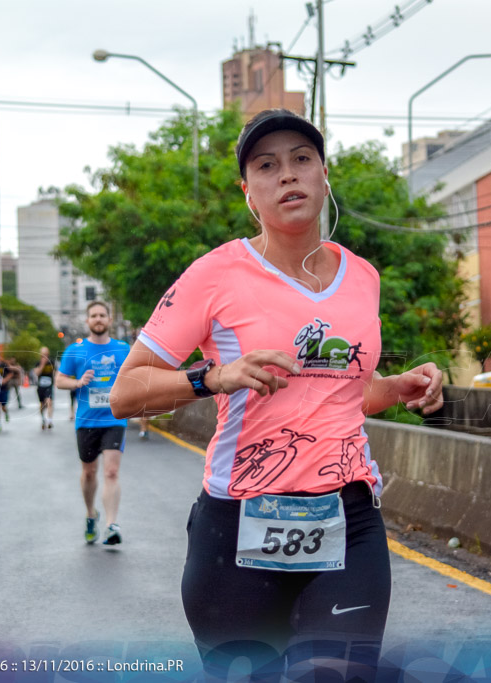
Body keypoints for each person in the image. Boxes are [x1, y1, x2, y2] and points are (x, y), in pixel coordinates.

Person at [109, 109, 444, 681]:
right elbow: (125, 394)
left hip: (347, 518)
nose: (287, 175)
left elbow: (347, 395)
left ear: (323, 174)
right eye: (267, 166)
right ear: (249, 193)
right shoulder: (215, 275)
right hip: (237, 526)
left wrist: (404, 386)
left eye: (301, 160)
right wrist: (213, 377)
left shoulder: (362, 276)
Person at [57, 301, 130, 546]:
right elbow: (59, 380)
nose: (98, 319)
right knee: (89, 473)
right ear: (87, 322)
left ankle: (111, 524)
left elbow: (137, 376)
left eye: (102, 315)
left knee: (111, 471)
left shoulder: (123, 349)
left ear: (110, 320)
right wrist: (77, 383)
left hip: (114, 419)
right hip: (86, 421)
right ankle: (91, 513)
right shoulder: (75, 351)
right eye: (93, 316)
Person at [34, 347, 55, 429]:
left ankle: (49, 421)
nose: (45, 357)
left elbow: (55, 372)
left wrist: (56, 381)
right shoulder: (38, 363)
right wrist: (42, 364)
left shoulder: (51, 362)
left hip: (49, 386)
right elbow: (36, 373)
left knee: (49, 402)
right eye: (43, 355)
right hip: (41, 386)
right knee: (42, 404)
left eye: (46, 355)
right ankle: (43, 419)